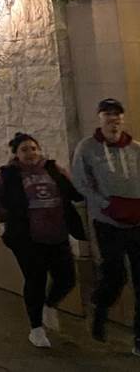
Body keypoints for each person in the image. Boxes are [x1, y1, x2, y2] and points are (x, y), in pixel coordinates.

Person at [0, 131, 86, 348]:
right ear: (16, 154)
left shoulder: (52, 169)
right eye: (24, 149)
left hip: (57, 234)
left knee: (67, 278)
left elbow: (73, 192)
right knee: (35, 280)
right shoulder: (8, 175)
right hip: (27, 238)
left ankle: (49, 305)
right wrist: (4, 215)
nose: (30, 153)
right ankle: (36, 329)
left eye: (33, 148)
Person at [72, 97, 140, 348]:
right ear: (100, 117)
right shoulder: (87, 148)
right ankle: (99, 309)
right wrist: (104, 204)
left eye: (117, 115)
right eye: (108, 114)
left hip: (137, 222)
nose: (113, 119)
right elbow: (81, 182)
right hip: (107, 222)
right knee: (115, 274)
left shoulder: (135, 149)